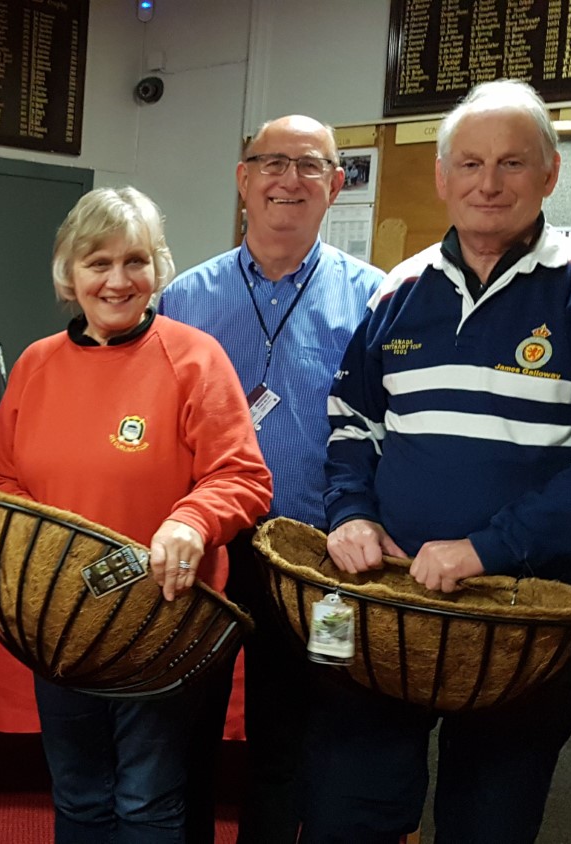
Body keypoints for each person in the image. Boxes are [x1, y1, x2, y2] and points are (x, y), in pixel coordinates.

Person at [303, 79, 571, 843]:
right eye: (468, 164)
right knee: (348, 814)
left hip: (522, 624)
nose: (487, 184)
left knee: (489, 822)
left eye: (511, 164)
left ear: (550, 174)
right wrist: (352, 514)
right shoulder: (397, 293)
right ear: (442, 177)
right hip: (387, 609)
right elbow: (349, 423)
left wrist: (486, 550)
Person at [0, 186, 272, 843]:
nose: (118, 280)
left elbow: (243, 476)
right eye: (97, 262)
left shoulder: (195, 358)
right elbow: (2, 479)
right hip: (60, 628)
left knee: (146, 801)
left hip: (161, 623)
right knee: (79, 796)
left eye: (135, 261)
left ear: (159, 269)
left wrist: (191, 521)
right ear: (68, 273)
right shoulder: (34, 364)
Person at [157, 115, 383, 844]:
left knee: (291, 737)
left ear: (336, 185)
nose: (289, 179)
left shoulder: (377, 300)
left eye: (310, 165)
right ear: (242, 179)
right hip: (208, 553)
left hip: (314, 557)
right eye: (271, 162)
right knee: (186, 730)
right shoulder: (182, 299)